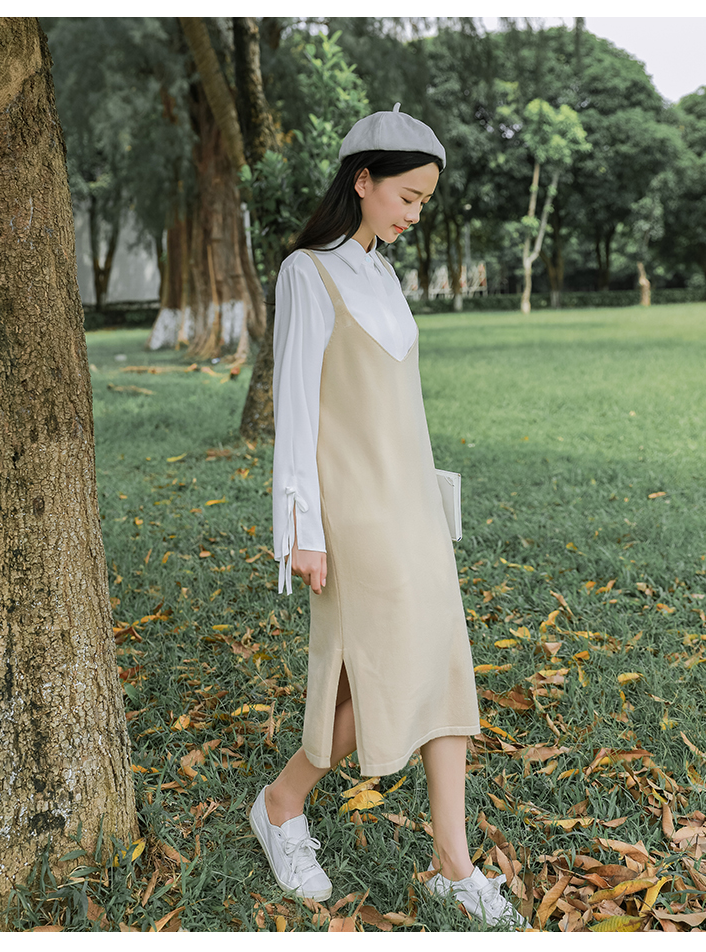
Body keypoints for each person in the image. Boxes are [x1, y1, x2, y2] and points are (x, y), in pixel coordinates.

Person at [249, 104, 527, 931]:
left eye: (424, 202)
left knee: (440, 665)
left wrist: (433, 499)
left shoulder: (383, 275)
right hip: (352, 512)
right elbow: (295, 409)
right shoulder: (308, 272)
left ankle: (452, 865)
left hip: (410, 506)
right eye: (407, 197)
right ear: (362, 181)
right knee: (379, 672)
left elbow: (402, 406)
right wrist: (300, 529)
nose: (414, 214)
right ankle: (281, 802)